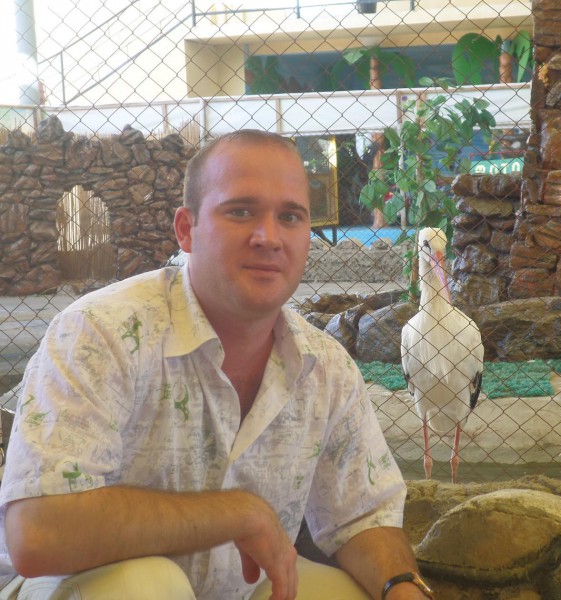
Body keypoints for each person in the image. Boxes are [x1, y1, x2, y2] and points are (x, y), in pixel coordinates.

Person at [0, 130, 434, 600]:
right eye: (241, 211)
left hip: (240, 591)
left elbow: (363, 517)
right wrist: (237, 513)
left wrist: (402, 587)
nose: (268, 237)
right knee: (143, 586)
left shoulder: (325, 367)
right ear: (186, 229)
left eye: (290, 217)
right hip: (75, 587)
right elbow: (38, 534)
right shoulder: (100, 333)